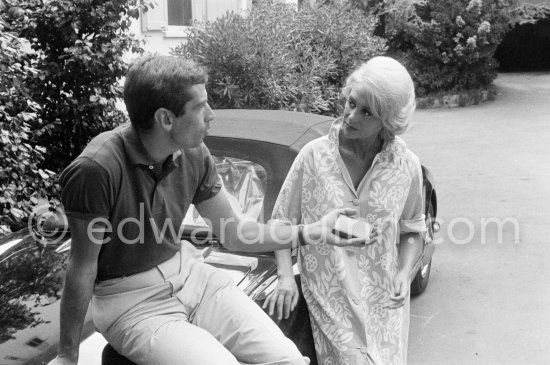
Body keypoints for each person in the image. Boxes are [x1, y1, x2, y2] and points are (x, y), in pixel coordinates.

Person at [48, 55, 365, 365]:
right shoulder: (96, 169)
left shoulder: (193, 153)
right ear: (166, 119)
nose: (211, 115)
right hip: (131, 305)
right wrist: (67, 355)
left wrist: (313, 231)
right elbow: (82, 267)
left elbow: (235, 234)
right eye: (200, 107)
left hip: (192, 277)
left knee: (289, 359)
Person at [263, 56, 426, 365]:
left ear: (388, 121)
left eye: (367, 112)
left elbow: (414, 231)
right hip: (331, 300)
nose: (352, 116)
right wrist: (286, 278)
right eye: (352, 103)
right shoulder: (313, 157)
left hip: (385, 305)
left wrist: (405, 274)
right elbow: (281, 222)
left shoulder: (407, 167)